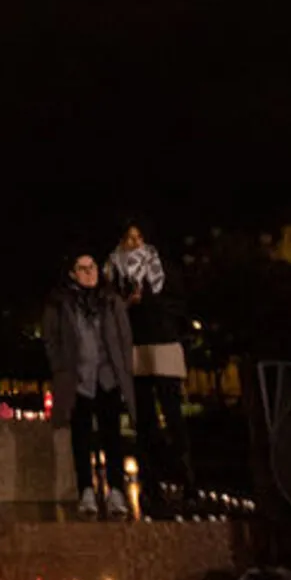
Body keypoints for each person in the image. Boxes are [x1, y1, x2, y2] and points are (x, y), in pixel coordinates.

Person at [105, 221, 195, 504]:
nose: (134, 242)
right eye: (128, 237)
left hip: (164, 342)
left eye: (139, 237)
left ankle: (187, 481)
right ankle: (151, 481)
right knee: (143, 419)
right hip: (134, 345)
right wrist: (127, 304)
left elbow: (179, 303)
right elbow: (107, 307)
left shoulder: (162, 266)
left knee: (173, 415)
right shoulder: (112, 270)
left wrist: (151, 304)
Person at [43, 254, 136, 518]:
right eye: (82, 269)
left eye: (92, 267)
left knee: (112, 436)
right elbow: (50, 338)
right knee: (81, 438)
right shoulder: (60, 303)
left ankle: (116, 490)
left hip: (107, 377)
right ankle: (86, 489)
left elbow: (123, 336)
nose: (89, 273)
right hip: (78, 379)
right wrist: (59, 367)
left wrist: (122, 370)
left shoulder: (110, 300)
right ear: (72, 273)